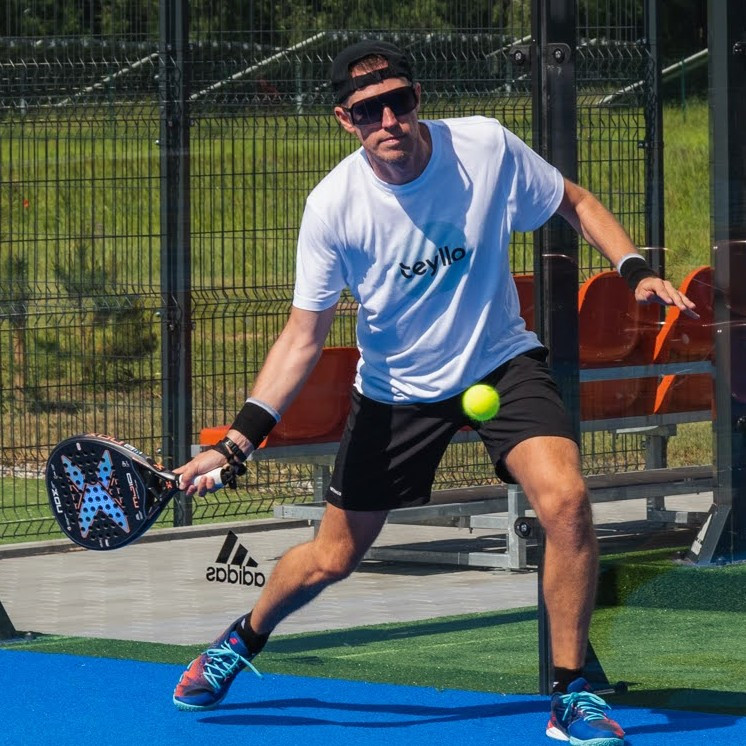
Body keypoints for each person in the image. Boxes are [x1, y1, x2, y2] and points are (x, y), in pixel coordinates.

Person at [171, 40, 696, 744]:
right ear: (345, 120)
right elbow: (302, 337)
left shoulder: (483, 147)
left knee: (568, 501)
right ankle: (242, 638)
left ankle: (571, 694)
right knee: (333, 558)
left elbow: (573, 200)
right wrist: (237, 441)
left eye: (399, 102)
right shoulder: (333, 207)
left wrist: (634, 268)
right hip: (397, 390)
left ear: (417, 99)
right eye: (368, 111)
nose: (388, 120)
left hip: (500, 363)